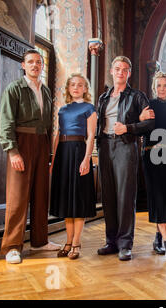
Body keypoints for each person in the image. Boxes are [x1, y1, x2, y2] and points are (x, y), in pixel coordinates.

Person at [0, 49, 60, 264]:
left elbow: (49, 125)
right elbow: (6, 122)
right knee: (17, 197)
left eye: (38, 62)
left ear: (42, 66)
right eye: (31, 62)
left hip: (42, 144)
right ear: (23, 65)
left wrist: (49, 153)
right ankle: (12, 246)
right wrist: (13, 151)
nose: (35, 65)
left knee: (41, 193)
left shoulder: (45, 91)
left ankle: (39, 242)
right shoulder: (14, 89)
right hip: (21, 144)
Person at [96, 56, 154, 261]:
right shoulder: (103, 98)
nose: (121, 72)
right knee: (109, 195)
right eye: (117, 69)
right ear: (112, 71)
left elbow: (150, 125)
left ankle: (125, 244)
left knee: (125, 196)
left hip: (125, 146)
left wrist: (128, 128)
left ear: (129, 73)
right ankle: (111, 241)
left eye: (125, 69)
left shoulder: (137, 97)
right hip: (104, 146)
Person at [50, 73, 97, 260]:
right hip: (63, 153)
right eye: (72, 85)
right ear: (68, 89)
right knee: (67, 200)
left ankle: (76, 242)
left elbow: (91, 135)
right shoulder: (62, 110)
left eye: (80, 85)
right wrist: (54, 160)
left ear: (85, 88)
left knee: (78, 199)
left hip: (79, 152)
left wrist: (87, 159)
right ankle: (67, 242)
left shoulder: (89, 108)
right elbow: (58, 134)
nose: (76, 87)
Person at [142, 72, 166, 263]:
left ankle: (158, 237)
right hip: (152, 156)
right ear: (154, 87)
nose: (162, 89)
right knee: (158, 196)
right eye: (159, 85)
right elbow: (141, 127)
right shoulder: (148, 105)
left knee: (164, 197)